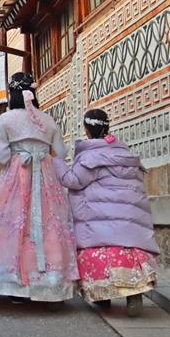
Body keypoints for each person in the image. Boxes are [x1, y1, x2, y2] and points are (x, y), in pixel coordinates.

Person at [0, 72, 78, 307]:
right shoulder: (48, 120)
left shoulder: (6, 120)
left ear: (12, 94)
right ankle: (51, 282)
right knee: (48, 225)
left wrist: (18, 153)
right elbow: (61, 154)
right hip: (45, 178)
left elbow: (1, 157)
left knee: (12, 222)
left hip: (16, 177)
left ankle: (13, 283)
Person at [55, 109, 158, 317]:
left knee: (99, 255)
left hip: (99, 222)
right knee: (129, 254)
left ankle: (102, 295)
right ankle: (133, 293)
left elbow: (73, 181)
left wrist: (55, 161)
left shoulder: (90, 157)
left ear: (87, 130)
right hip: (129, 222)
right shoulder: (125, 155)